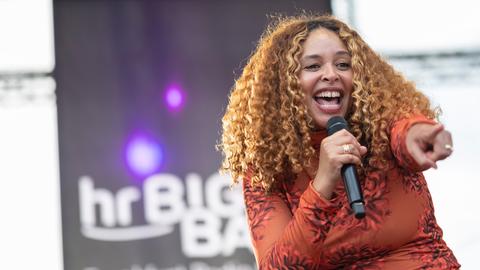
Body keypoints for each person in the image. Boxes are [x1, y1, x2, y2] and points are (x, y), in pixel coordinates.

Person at [219, 14, 460, 269]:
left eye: (343, 65)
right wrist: (323, 183)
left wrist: (419, 135)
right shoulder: (266, 168)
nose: (331, 74)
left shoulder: (384, 122)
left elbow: (406, 131)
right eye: (313, 66)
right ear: (283, 84)